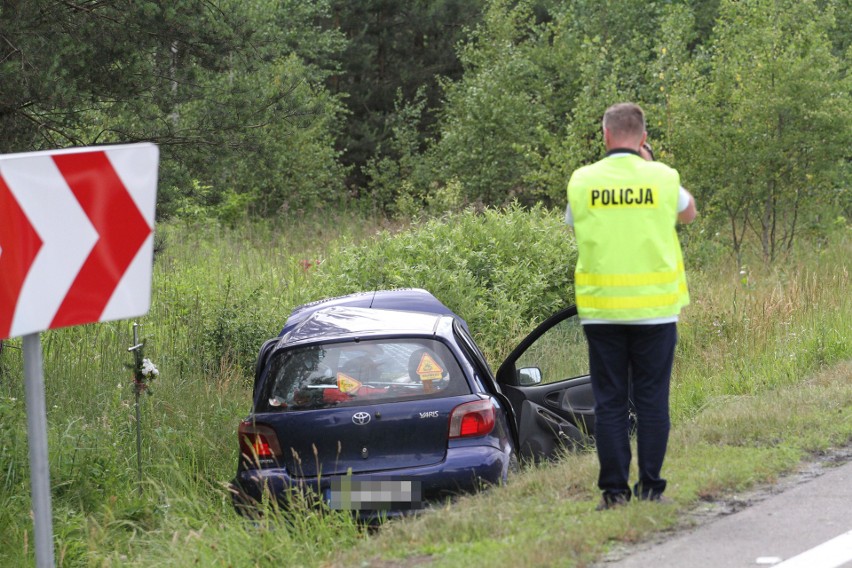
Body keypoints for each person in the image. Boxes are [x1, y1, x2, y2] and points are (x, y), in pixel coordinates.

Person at [564, 102, 696, 510]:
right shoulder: (662, 177)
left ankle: (614, 493)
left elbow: (572, 221)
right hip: (656, 310)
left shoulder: (583, 181)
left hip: (602, 310)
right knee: (653, 400)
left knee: (610, 403)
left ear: (605, 136)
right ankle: (652, 488)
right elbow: (688, 213)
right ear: (642, 139)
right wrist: (650, 166)